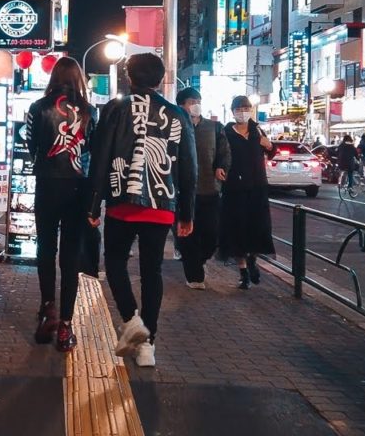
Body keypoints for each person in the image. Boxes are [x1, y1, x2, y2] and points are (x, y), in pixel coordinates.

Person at [89, 53, 197, 368]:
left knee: (115, 262)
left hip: (123, 199)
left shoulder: (116, 108)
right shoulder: (178, 114)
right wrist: (186, 212)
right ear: (161, 78)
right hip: (162, 204)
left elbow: (101, 157)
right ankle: (148, 345)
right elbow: (189, 166)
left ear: (129, 77)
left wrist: (94, 203)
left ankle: (131, 320)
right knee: (152, 273)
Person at [24, 56, 96, 352]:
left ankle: (47, 311)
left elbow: (31, 146)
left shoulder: (37, 108)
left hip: (47, 186)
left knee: (45, 248)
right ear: (79, 78)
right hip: (79, 189)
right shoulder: (91, 112)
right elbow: (93, 150)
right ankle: (66, 325)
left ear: (53, 77)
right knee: (70, 254)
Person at [175, 87, 230, 290]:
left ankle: (199, 261)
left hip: (210, 190)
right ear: (181, 105)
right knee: (187, 236)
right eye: (191, 101)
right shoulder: (174, 126)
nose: (195, 104)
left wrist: (221, 167)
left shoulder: (215, 127)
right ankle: (194, 275)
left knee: (211, 235)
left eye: (197, 100)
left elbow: (224, 152)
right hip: (183, 192)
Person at [219, 96, 275, 290]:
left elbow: (271, 151)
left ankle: (252, 260)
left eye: (246, 107)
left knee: (257, 229)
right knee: (236, 231)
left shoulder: (257, 130)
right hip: (233, 190)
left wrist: (269, 146)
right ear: (233, 111)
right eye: (239, 108)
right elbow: (219, 155)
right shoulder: (225, 132)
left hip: (257, 188)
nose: (243, 111)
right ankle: (243, 273)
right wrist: (219, 168)